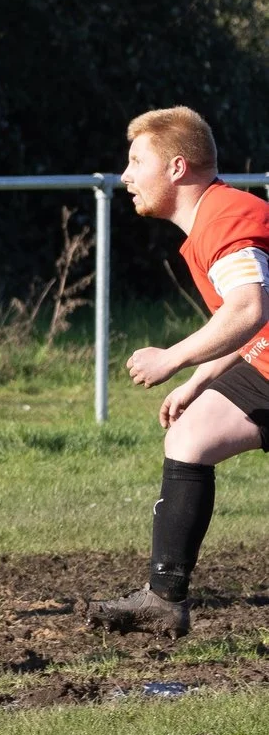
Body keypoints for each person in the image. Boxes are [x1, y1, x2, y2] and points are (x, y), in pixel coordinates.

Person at [91, 106, 269, 636]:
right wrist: (201, 379)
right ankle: (163, 597)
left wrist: (173, 359)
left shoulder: (227, 219)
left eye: (135, 161)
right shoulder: (216, 216)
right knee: (191, 436)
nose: (124, 176)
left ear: (175, 168)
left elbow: (248, 310)